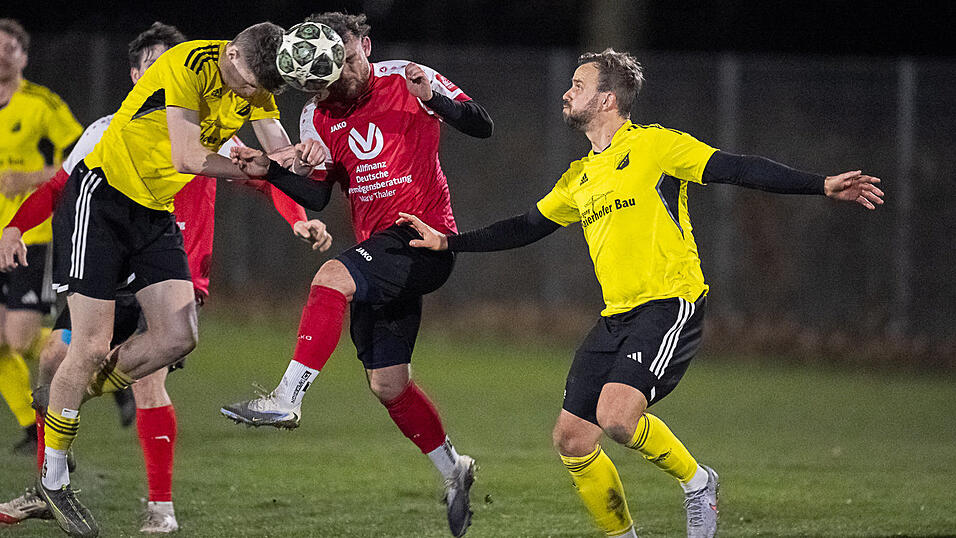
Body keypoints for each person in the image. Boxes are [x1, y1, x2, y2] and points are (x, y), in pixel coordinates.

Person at [396, 48, 884, 538]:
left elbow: (737, 168)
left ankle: (698, 483)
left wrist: (819, 184)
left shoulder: (655, 146)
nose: (567, 93)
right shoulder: (580, 177)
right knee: (572, 439)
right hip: (616, 317)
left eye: (578, 85)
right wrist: (449, 241)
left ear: (607, 99)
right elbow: (525, 227)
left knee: (617, 417)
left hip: (670, 302)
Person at [0, 22, 332, 534]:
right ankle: (54, 478)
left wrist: (304, 158)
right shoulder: (186, 66)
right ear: (234, 56)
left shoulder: (258, 81)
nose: (250, 97)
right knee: (84, 347)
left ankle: (74, 397)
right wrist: (260, 168)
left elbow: (278, 150)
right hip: (103, 201)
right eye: (246, 87)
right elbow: (188, 157)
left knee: (178, 337)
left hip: (153, 212)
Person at [220, 11, 493, 537]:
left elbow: (482, 125)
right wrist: (272, 168)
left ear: (365, 45)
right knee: (388, 384)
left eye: (347, 59)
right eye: (329, 67)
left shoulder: (408, 79)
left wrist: (433, 98)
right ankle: (454, 469)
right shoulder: (316, 114)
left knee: (329, 278)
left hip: (424, 237)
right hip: (380, 253)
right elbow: (319, 194)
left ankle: (286, 398)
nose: (340, 73)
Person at [0, 18, 82, 456]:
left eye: (10, 47)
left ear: (24, 57)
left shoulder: (42, 104)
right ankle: (30, 427)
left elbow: (79, 159)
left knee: (15, 339)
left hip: (29, 235)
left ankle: (87, 346)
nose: (1, 53)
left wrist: (26, 176)